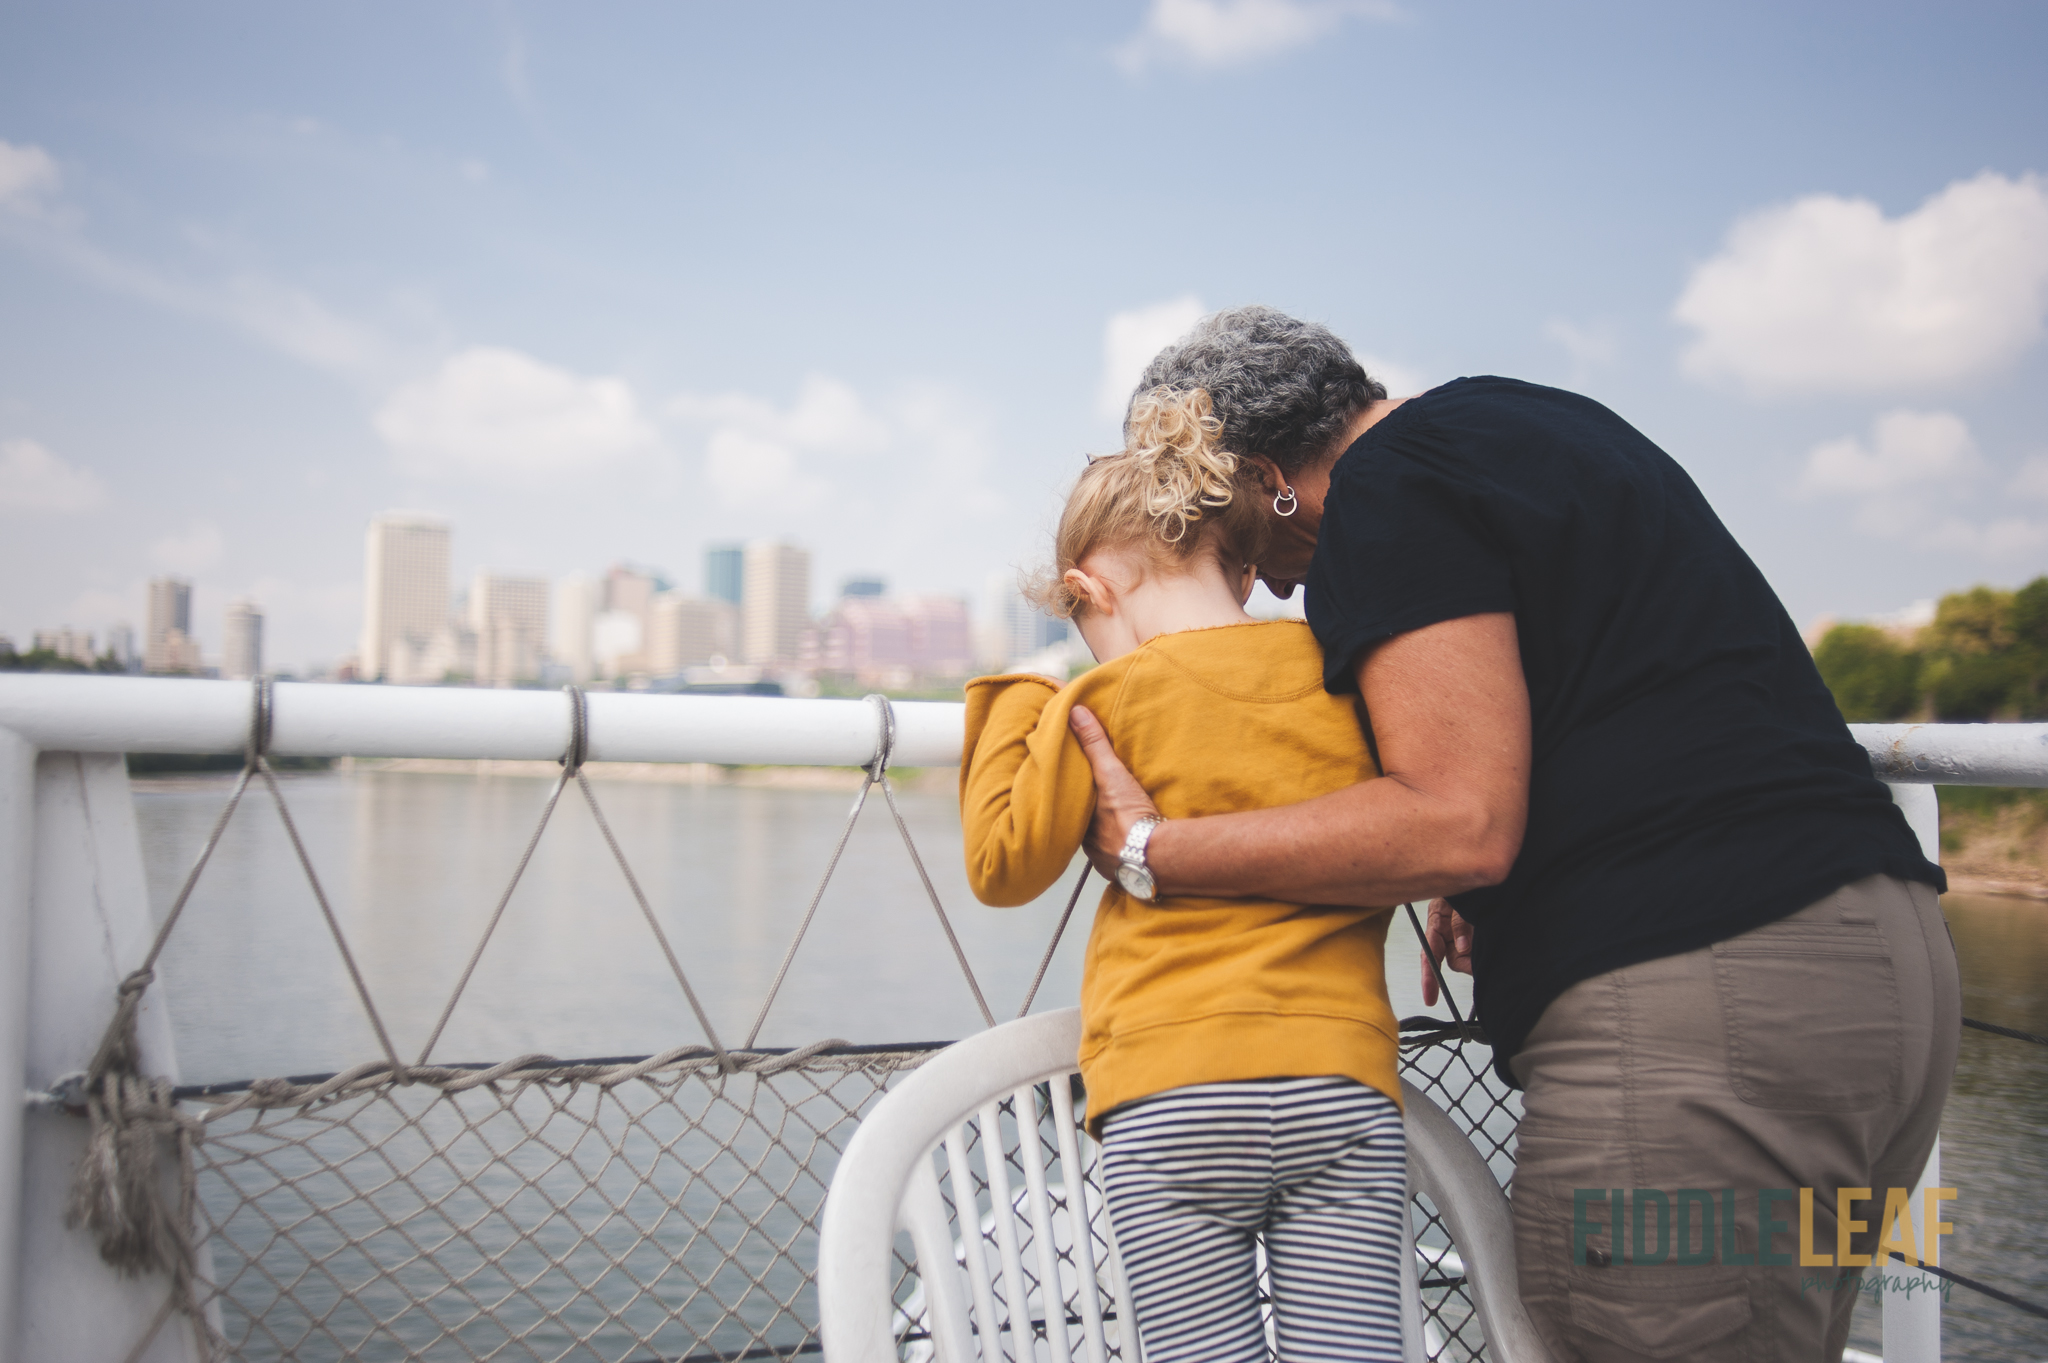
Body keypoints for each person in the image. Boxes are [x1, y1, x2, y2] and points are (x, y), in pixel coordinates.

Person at [1067, 306, 1958, 1363]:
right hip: (1881, 992)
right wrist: (1496, 877)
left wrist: (1150, 848)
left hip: (1704, 1022)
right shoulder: (1535, 424)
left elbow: (1458, 821)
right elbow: (1614, 698)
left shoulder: (1384, 493)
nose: (1257, 578)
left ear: (1268, 477)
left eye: (1227, 530)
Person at [959, 387, 1408, 1363]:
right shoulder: (1345, 672)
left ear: (1093, 589)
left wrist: (1017, 698)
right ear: (1244, 568)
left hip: (1172, 1092)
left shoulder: (1106, 695)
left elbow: (1000, 864)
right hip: (1341, 1081)